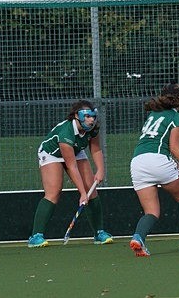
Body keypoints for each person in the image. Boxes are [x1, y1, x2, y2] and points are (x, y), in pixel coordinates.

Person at [128, 83, 179, 257]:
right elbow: (174, 147)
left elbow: (156, 143)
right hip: (158, 161)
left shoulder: (152, 114)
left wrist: (170, 161)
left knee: (151, 211)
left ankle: (138, 237)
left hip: (137, 162)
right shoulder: (176, 117)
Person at [29, 100, 112, 248]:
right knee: (54, 192)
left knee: (91, 191)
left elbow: (96, 149)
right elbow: (72, 166)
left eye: (93, 116)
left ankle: (99, 233)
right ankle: (36, 236)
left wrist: (100, 170)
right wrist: (81, 193)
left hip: (76, 151)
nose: (91, 119)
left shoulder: (92, 129)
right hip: (51, 153)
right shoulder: (66, 133)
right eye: (87, 116)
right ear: (76, 116)